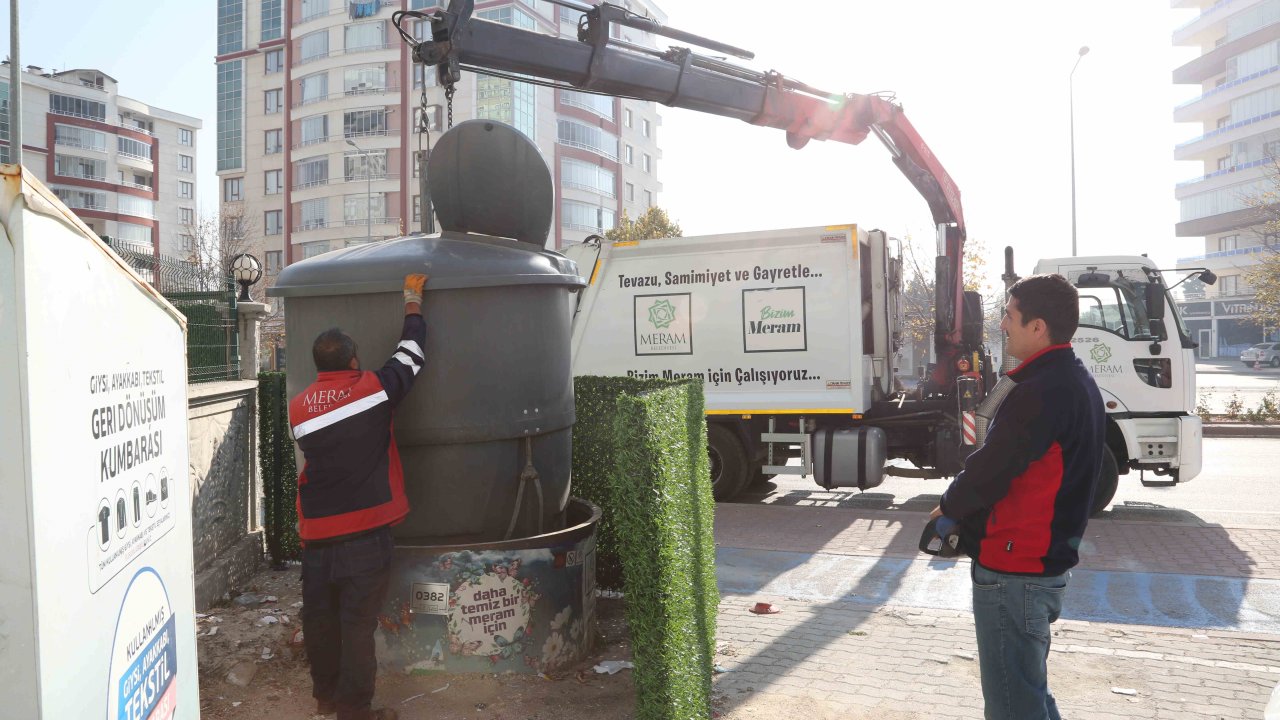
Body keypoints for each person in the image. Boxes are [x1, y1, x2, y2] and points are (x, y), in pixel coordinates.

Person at [930, 273, 1105, 720]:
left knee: (1013, 704)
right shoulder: (1074, 380)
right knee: (1029, 694)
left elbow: (993, 468)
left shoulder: (1042, 390)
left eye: (1009, 316)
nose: (1003, 325)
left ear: (1038, 327)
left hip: (1015, 569)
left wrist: (948, 506)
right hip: (1039, 565)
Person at [289, 273, 429, 720]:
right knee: (356, 626)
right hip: (365, 534)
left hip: (316, 535)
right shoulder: (374, 389)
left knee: (320, 620)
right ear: (353, 359)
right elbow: (411, 354)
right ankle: (354, 710)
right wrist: (412, 301)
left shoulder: (298, 406)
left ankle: (326, 698)